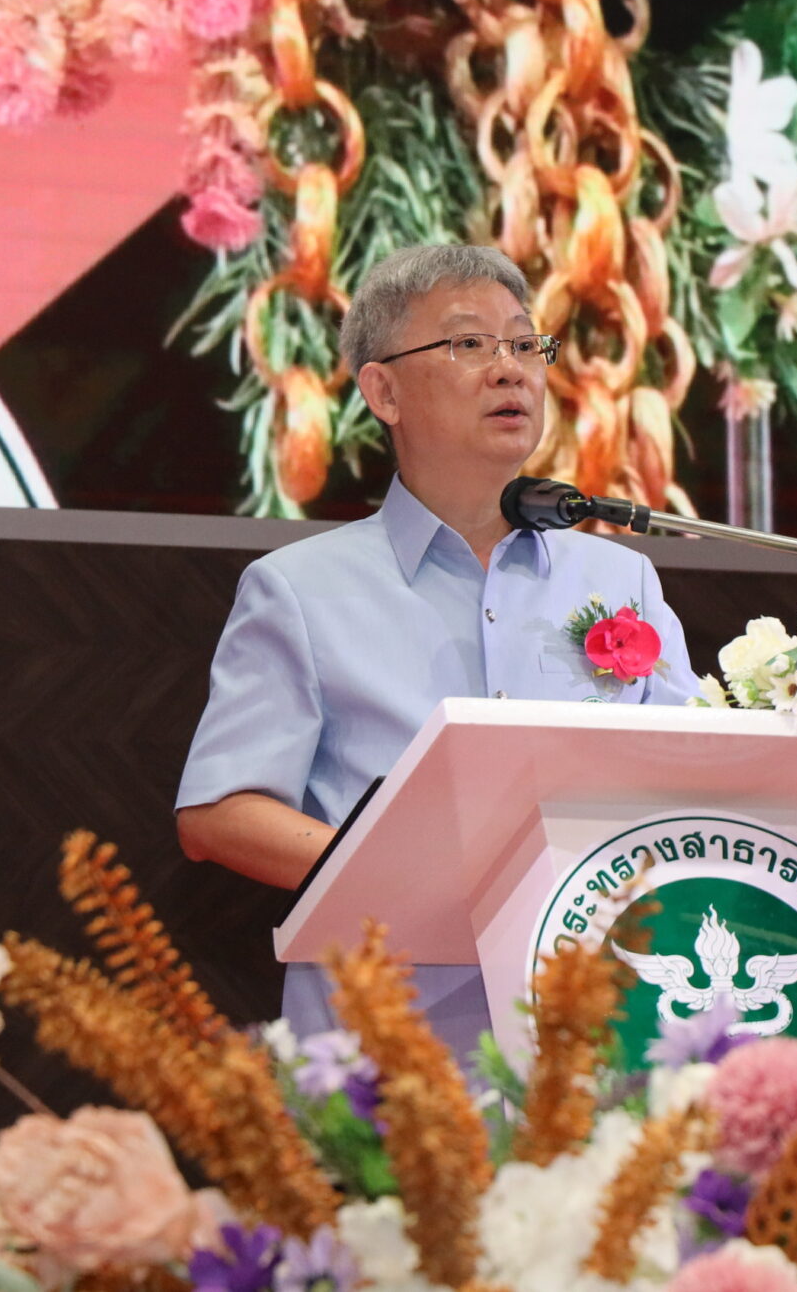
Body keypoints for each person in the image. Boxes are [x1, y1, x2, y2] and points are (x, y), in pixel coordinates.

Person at [175, 243, 700, 1052]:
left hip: (600, 1037)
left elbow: (695, 782)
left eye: (524, 343)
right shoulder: (300, 589)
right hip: (390, 1048)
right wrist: (414, 879)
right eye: (469, 343)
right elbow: (218, 813)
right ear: (383, 390)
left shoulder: (620, 579)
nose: (510, 368)